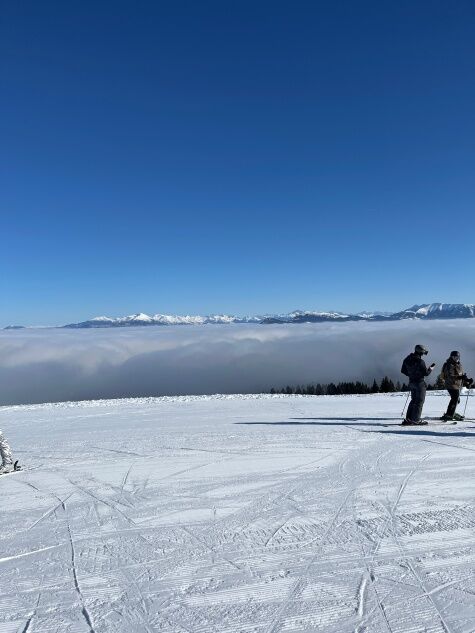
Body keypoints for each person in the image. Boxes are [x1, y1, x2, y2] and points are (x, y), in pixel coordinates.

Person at [401, 344, 436, 425]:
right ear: (421, 352)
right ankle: (415, 419)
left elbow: (403, 370)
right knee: (419, 401)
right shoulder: (420, 361)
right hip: (420, 383)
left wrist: (411, 374)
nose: (423, 354)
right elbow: (426, 373)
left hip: (411, 382)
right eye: (423, 353)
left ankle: (409, 418)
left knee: (413, 400)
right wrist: (430, 368)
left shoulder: (407, 359)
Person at [440, 351, 473, 421]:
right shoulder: (448, 365)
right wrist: (460, 377)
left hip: (457, 385)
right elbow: (449, 376)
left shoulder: (459, 365)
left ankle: (450, 413)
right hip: (450, 384)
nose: (456, 358)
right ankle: (450, 414)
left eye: (457, 357)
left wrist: (467, 380)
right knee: (455, 398)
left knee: (456, 399)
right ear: (451, 357)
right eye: (454, 357)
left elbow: (461, 375)